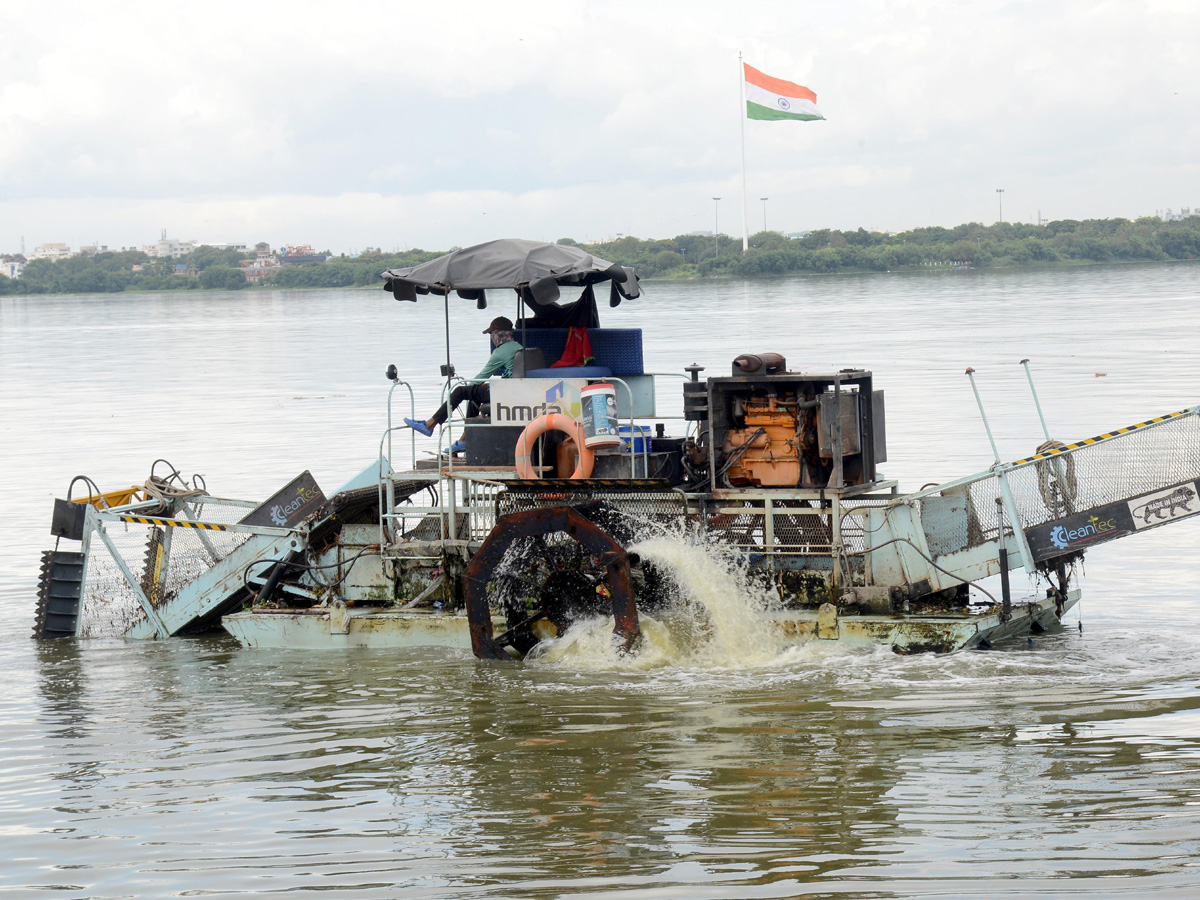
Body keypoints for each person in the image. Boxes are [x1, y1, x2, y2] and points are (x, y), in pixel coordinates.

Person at [405, 316, 522, 451]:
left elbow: (480, 378)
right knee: (474, 394)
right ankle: (464, 440)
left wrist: (466, 384)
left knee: (461, 391)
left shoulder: (500, 352)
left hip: (505, 394)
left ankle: (430, 424)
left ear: (498, 334)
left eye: (491, 334)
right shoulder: (518, 346)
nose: (491, 337)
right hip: (512, 390)